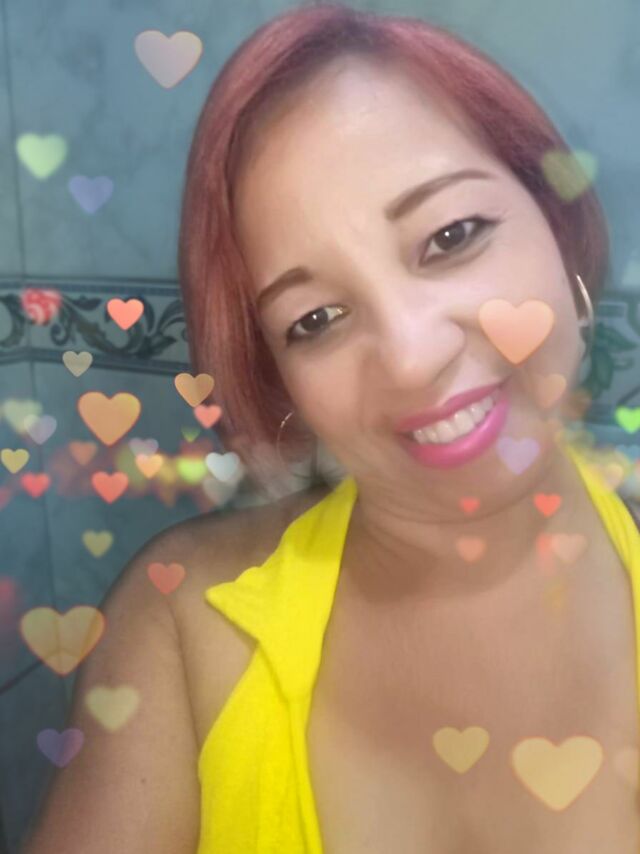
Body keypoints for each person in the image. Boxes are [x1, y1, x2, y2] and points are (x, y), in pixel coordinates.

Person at [23, 4, 640, 853]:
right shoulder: (188, 626)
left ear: (559, 228)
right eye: (314, 320)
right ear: (285, 383)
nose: (412, 358)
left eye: (451, 236)